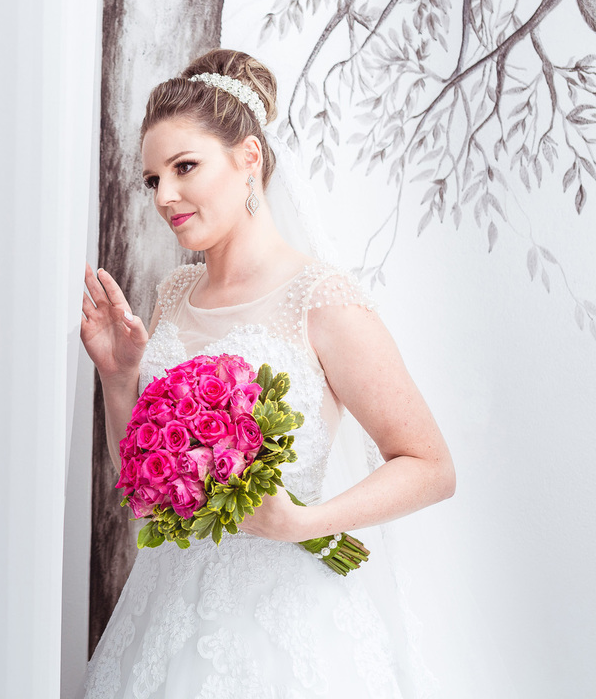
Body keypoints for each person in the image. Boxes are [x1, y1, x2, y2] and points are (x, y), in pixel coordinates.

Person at [78, 48, 455, 698]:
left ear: (248, 159)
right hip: (163, 621)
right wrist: (119, 379)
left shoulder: (321, 300)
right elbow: (144, 496)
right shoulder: (174, 295)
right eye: (152, 180)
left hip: (286, 630)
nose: (164, 196)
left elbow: (430, 466)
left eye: (184, 167)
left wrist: (301, 524)